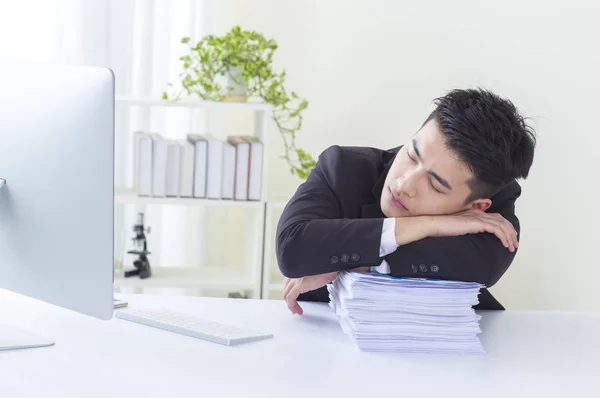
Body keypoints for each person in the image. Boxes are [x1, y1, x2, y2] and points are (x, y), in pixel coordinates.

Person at [276, 88, 536, 315]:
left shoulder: (495, 196)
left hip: (446, 347)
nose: (404, 185)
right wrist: (428, 225)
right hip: (325, 332)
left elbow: (482, 267)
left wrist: (357, 265)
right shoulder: (342, 168)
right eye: (412, 155)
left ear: (476, 207)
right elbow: (292, 248)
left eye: (435, 184)